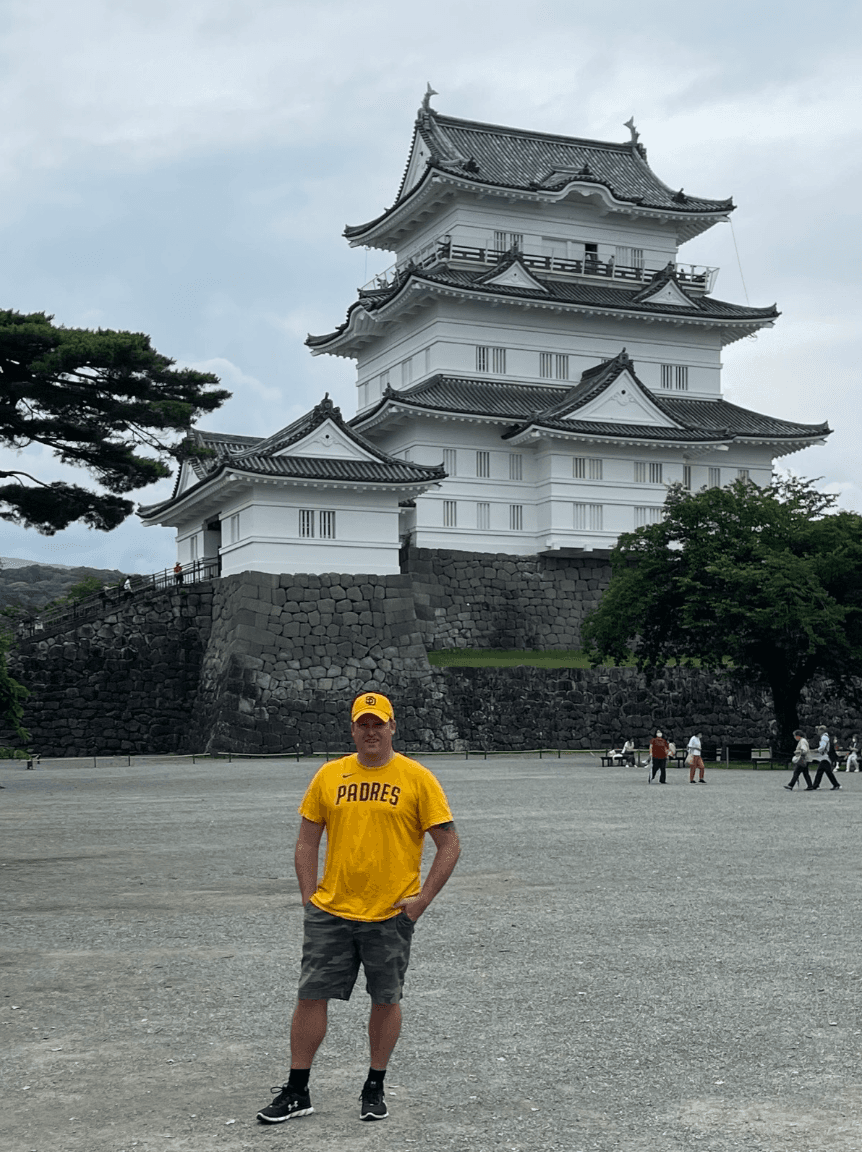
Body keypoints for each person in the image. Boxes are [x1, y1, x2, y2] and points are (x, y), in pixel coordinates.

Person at [256, 692, 460, 1126]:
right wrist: (309, 897)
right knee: (310, 996)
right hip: (331, 911)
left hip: (389, 913)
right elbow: (307, 839)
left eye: (378, 724)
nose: (371, 732)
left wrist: (422, 900)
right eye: (363, 724)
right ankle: (297, 1089)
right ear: (352, 729)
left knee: (385, 999)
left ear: (392, 727)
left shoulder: (417, 778)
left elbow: (450, 844)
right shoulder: (329, 776)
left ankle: (374, 1086)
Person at [811, 724, 841, 790]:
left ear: (822, 730)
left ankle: (816, 785)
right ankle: (835, 784)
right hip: (826, 756)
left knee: (822, 771)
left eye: (818, 730)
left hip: (825, 756)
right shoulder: (827, 736)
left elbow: (822, 746)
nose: (817, 732)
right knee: (825, 771)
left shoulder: (824, 737)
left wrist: (818, 750)